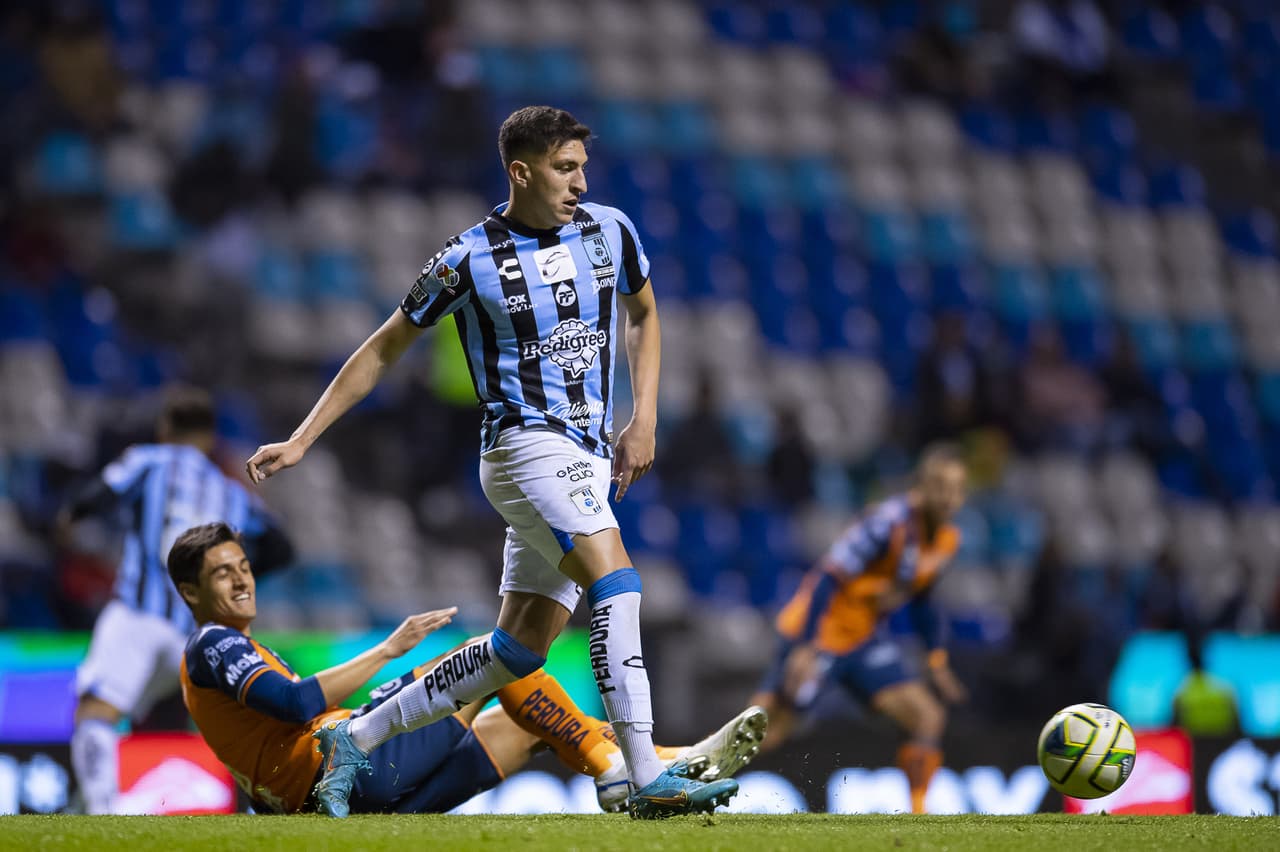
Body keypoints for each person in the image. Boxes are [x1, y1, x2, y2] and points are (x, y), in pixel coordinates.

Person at [245, 105, 737, 818]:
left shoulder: (611, 231)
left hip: (588, 455)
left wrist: (645, 417)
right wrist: (302, 438)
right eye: (565, 169)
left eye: (582, 168)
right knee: (619, 584)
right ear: (522, 170)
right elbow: (384, 346)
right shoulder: (465, 259)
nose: (578, 182)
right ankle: (641, 775)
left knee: (518, 650)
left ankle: (356, 738)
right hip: (522, 448)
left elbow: (644, 312)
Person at [169, 522, 767, 814]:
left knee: (531, 725)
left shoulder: (222, 655)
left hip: (359, 804)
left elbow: (257, 759)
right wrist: (389, 649)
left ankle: (662, 764)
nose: (242, 578)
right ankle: (627, 770)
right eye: (223, 573)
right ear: (190, 592)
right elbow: (296, 705)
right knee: (503, 656)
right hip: (342, 770)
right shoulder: (212, 644)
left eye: (242, 566)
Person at [58, 387, 293, 815]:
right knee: (235, 728)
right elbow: (281, 546)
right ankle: (263, 808)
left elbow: (97, 496)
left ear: (165, 428)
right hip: (197, 638)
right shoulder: (231, 493)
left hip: (140, 616)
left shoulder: (148, 461)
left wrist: (68, 518)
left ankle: (100, 812)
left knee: (97, 710)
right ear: (210, 437)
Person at [748, 444, 969, 814]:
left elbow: (923, 603)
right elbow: (827, 578)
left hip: (864, 638)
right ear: (921, 486)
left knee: (927, 716)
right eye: (939, 486)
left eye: (957, 488)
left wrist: (936, 659)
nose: (948, 497)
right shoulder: (888, 523)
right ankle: (686, 781)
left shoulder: (947, 540)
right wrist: (805, 647)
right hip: (821, 634)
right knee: (766, 732)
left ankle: (920, 812)